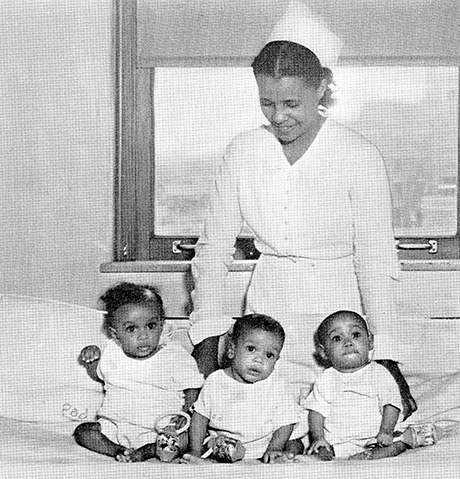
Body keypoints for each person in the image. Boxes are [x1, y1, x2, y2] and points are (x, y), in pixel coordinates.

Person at [188, 34, 416, 417]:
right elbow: (213, 250)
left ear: (321, 89)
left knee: (344, 425)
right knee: (254, 423)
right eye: (267, 102)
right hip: (266, 317)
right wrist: (208, 336)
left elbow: (376, 260)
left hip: (338, 314)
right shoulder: (243, 152)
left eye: (291, 103)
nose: (278, 116)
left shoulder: (357, 154)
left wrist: (388, 357)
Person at [73, 282, 204, 462]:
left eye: (150, 325)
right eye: (131, 329)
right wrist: (92, 360)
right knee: (83, 431)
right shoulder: (112, 353)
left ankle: (147, 451)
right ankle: (117, 450)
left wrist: (186, 413)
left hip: (161, 428)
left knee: (187, 439)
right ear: (115, 333)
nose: (143, 336)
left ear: (162, 325)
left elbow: (193, 388)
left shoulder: (174, 355)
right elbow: (98, 374)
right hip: (115, 425)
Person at [179, 314, 304, 464]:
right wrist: (196, 450)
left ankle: (277, 457)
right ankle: (206, 460)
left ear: (276, 360)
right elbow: (200, 417)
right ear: (231, 350)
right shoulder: (216, 381)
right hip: (221, 445)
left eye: (269, 355)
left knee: (295, 444)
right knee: (192, 442)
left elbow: (286, 422)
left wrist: (274, 448)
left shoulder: (278, 385)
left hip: (264, 446)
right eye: (251, 349)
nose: (259, 359)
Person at [303, 310, 409, 460]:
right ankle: (330, 455)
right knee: (322, 450)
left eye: (356, 335)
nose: (348, 343)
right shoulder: (326, 378)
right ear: (323, 352)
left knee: (400, 442)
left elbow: (391, 404)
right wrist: (318, 438)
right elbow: (316, 412)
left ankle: (377, 452)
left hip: (378, 435)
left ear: (370, 341)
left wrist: (386, 431)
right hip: (341, 440)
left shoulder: (378, 373)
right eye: (337, 338)